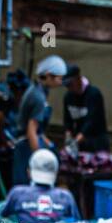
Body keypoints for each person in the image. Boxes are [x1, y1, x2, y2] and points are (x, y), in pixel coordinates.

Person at [13, 55, 66, 187]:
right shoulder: (38, 97)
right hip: (26, 146)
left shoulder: (38, 91)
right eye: (59, 78)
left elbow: (39, 131)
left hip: (29, 142)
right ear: (48, 76)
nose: (61, 81)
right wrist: (38, 157)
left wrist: (50, 145)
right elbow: (32, 130)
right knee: (26, 188)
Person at [0, 148, 80, 223]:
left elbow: (0, 216)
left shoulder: (17, 193)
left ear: (29, 172)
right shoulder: (65, 196)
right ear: (56, 173)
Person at [61, 65, 109, 153]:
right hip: (79, 142)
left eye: (71, 84)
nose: (69, 88)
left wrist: (77, 140)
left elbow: (92, 121)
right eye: (67, 86)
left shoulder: (94, 94)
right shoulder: (68, 97)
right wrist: (68, 136)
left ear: (78, 79)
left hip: (97, 141)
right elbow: (67, 120)